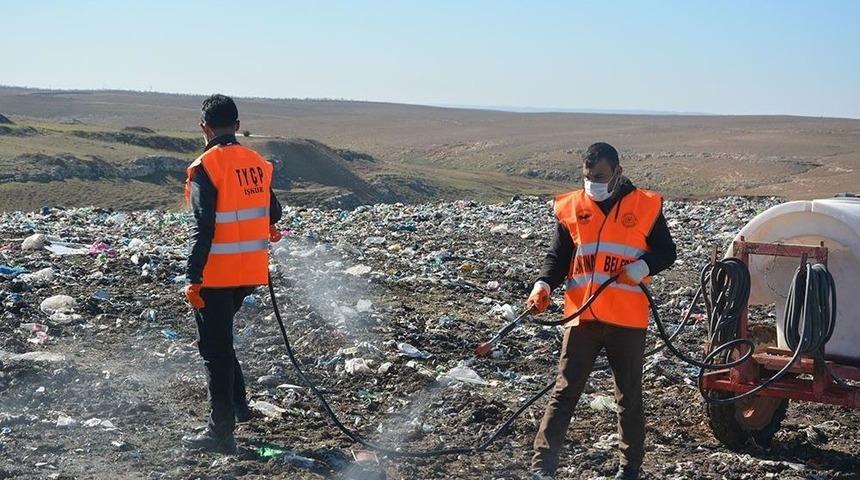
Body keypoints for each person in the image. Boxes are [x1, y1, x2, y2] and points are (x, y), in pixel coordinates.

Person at [529, 142, 676, 480]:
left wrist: (642, 267)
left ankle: (629, 469)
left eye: (599, 176)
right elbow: (558, 257)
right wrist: (543, 285)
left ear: (618, 174)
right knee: (564, 393)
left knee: (628, 398)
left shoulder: (645, 206)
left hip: (626, 320)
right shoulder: (572, 207)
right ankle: (542, 469)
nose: (592, 182)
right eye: (587, 176)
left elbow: (667, 252)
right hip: (582, 318)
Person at [181, 94, 283, 454]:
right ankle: (239, 407)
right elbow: (274, 212)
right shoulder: (256, 162)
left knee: (214, 350)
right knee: (222, 343)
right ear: (237, 126)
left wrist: (192, 275)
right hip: (250, 271)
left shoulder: (205, 166)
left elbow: (203, 226)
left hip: (216, 274)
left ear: (203, 128)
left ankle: (219, 433)